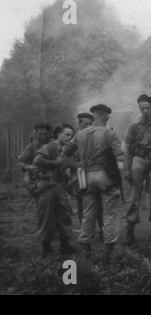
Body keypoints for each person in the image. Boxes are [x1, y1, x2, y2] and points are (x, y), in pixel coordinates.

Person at [63, 104, 125, 258]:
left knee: (88, 212)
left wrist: (77, 166)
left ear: (94, 116)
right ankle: (109, 251)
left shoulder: (80, 134)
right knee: (109, 213)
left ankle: (85, 248)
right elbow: (120, 157)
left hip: (86, 177)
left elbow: (64, 153)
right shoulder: (110, 134)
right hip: (105, 177)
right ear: (107, 117)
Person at [124, 94, 151, 246]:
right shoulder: (133, 128)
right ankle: (130, 230)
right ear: (139, 109)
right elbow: (127, 149)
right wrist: (127, 169)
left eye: (147, 107)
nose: (145, 110)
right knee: (135, 196)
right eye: (142, 108)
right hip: (138, 159)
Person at [32, 125, 77, 258]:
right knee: (46, 216)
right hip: (46, 186)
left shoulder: (66, 150)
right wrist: (55, 163)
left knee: (63, 214)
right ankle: (46, 247)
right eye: (66, 134)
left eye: (71, 135)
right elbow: (37, 160)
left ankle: (65, 244)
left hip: (58, 186)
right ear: (58, 134)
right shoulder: (50, 146)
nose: (69, 138)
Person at [66, 113, 104, 239]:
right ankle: (86, 231)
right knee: (82, 204)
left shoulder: (95, 137)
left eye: (89, 124)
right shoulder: (76, 138)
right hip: (79, 176)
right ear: (79, 124)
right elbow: (65, 153)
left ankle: (102, 230)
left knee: (98, 203)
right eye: (84, 124)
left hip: (94, 174)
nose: (87, 126)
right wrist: (75, 166)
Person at [18, 123, 52, 196]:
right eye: (40, 134)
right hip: (37, 178)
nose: (43, 137)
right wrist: (28, 167)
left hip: (53, 176)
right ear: (36, 134)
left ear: (49, 133)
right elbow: (21, 161)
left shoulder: (54, 144)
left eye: (45, 134)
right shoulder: (32, 147)